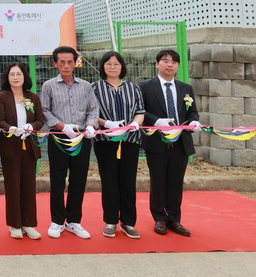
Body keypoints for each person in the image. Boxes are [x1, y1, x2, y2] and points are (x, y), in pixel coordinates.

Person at [140, 49, 200, 237]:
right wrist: (156, 121)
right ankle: (159, 218)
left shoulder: (185, 88)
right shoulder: (144, 87)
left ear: (177, 66)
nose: (169, 65)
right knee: (158, 181)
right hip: (156, 141)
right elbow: (140, 111)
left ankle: (174, 218)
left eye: (174, 62)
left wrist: (194, 122)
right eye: (165, 61)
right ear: (157, 64)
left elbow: (192, 112)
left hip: (181, 142)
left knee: (176, 181)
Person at [41, 45, 99, 239]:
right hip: (59, 137)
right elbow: (44, 110)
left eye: (70, 62)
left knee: (79, 179)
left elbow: (93, 109)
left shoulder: (86, 86)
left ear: (76, 63)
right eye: (62, 62)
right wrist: (61, 126)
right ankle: (57, 221)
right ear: (55, 63)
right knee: (57, 180)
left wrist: (90, 125)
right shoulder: (48, 86)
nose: (66, 66)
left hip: (82, 137)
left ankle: (74, 220)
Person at [91, 51, 145, 239]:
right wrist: (106, 124)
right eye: (108, 63)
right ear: (103, 66)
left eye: (116, 64)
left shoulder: (133, 88)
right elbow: (91, 113)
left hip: (130, 140)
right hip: (105, 141)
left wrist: (135, 123)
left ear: (122, 66)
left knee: (128, 181)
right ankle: (111, 220)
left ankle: (128, 222)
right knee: (109, 181)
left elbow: (140, 111)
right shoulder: (95, 88)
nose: (112, 67)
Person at [0, 62, 45, 240]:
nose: (15, 77)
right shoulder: (2, 97)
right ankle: (15, 224)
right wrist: (11, 129)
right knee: (13, 186)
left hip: (29, 145)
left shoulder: (32, 97)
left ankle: (28, 223)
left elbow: (40, 119)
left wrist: (31, 126)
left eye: (19, 74)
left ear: (25, 77)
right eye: (12, 74)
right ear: (7, 78)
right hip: (10, 146)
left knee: (29, 186)